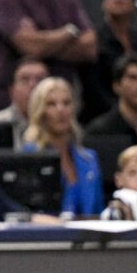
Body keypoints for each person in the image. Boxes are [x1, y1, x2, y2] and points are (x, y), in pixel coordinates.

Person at [21, 76, 103, 218]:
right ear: (40, 110)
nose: (61, 110)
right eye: (51, 104)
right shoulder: (30, 156)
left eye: (66, 103)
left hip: (88, 236)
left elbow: (98, 211)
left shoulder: (89, 159)